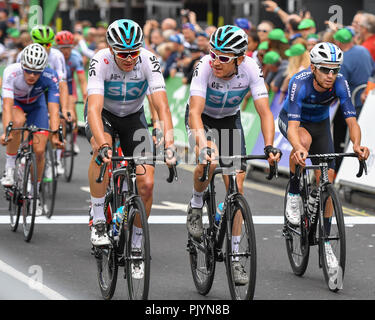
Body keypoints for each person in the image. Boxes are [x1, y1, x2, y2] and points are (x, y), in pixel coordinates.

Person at [185, 25, 281, 285]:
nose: (216, 61)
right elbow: (194, 112)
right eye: (213, 53)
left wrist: (270, 145)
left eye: (224, 58)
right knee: (210, 160)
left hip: (229, 119)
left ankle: (236, 255)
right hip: (202, 117)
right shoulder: (204, 66)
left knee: (236, 189)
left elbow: (265, 111)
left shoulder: (251, 68)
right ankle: (195, 206)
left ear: (240, 59)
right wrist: (204, 144)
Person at [85, 19, 176, 254]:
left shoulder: (148, 60)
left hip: (133, 117)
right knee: (100, 150)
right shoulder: (100, 60)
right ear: (111, 48)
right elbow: (93, 108)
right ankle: (98, 221)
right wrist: (104, 145)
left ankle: (136, 243)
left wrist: (168, 142)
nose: (128, 58)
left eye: (133, 52)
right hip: (103, 114)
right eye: (122, 53)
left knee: (146, 184)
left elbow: (162, 107)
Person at [278, 43, 369, 268]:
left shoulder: (340, 83)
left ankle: (326, 240)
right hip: (292, 121)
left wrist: (357, 144)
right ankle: (294, 193)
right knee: (303, 143)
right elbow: (292, 128)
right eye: (325, 69)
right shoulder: (299, 83)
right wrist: (298, 147)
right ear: (313, 68)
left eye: (335, 70)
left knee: (327, 175)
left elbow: (352, 121)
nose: (331, 75)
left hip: (319, 125)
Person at [0, 44, 64, 216]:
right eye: (28, 71)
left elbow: (53, 108)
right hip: (16, 104)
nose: (31, 75)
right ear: (22, 66)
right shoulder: (11, 72)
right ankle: (10, 168)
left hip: (37, 106)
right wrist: (6, 132)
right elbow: (6, 106)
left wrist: (56, 134)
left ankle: (35, 194)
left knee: (40, 150)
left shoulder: (51, 76)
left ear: (43, 69)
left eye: (36, 72)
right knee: (17, 121)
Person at [332, 28, 374, 171]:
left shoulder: (343, 59)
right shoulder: (363, 51)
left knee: (340, 135)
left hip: (351, 103)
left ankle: (338, 168)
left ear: (338, 42)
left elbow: (339, 84)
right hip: (367, 102)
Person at [55, 30, 88, 155]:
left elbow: (82, 80)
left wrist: (85, 95)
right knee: (60, 120)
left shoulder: (76, 57)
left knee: (71, 113)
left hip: (68, 86)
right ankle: (59, 144)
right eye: (63, 48)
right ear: (58, 47)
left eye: (68, 47)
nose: (66, 51)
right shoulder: (54, 56)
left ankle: (73, 141)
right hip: (55, 86)